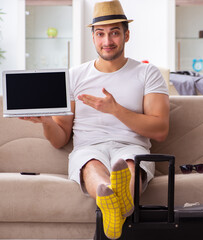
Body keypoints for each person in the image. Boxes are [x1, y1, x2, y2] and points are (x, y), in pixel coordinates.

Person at [20, 0, 170, 239]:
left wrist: (115, 110)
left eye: (114, 33)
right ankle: (118, 203)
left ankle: (114, 206)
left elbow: (160, 130)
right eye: (100, 34)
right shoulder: (74, 76)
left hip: (131, 147)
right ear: (92, 37)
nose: (107, 41)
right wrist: (47, 121)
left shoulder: (147, 73)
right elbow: (60, 139)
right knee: (91, 165)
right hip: (88, 148)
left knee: (129, 164)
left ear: (127, 35)